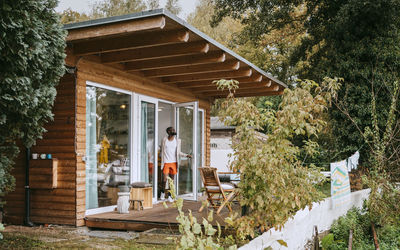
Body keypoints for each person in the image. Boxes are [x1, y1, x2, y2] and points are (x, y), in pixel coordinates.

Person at [160, 127, 191, 202]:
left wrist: (186, 155)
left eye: (174, 130)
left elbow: (178, 152)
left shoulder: (177, 141)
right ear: (168, 132)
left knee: (171, 181)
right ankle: (162, 193)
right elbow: (162, 151)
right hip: (166, 162)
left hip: (174, 162)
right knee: (164, 180)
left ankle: (170, 196)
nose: (174, 131)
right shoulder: (164, 140)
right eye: (172, 130)